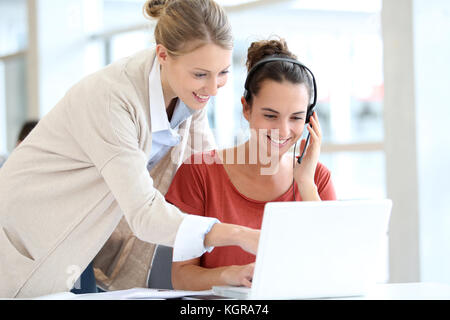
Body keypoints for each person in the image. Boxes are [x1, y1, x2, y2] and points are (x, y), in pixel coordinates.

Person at [0, 0, 259, 298]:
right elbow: (144, 213)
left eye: (223, 72)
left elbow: (207, 169)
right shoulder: (112, 99)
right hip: (29, 232)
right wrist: (238, 235)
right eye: (201, 74)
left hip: (82, 238)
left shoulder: (188, 92)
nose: (213, 88)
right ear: (163, 54)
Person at [166, 38, 337, 291]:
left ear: (310, 120)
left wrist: (305, 184)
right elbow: (181, 277)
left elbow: (331, 268)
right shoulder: (199, 173)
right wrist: (232, 275)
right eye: (270, 115)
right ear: (246, 109)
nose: (283, 130)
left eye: (296, 118)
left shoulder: (316, 179)